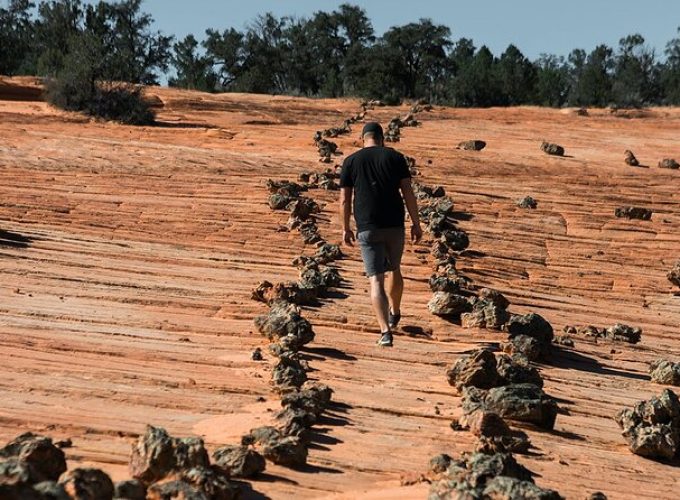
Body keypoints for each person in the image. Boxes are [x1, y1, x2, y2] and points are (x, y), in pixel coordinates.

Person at [339, 122, 422, 347]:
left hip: (367, 227)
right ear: (382, 138)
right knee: (394, 268)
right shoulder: (395, 158)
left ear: (362, 138)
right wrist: (416, 223)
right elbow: (408, 192)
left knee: (375, 279)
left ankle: (385, 331)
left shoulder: (351, 161)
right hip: (395, 224)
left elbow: (345, 199)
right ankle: (395, 310)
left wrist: (345, 227)